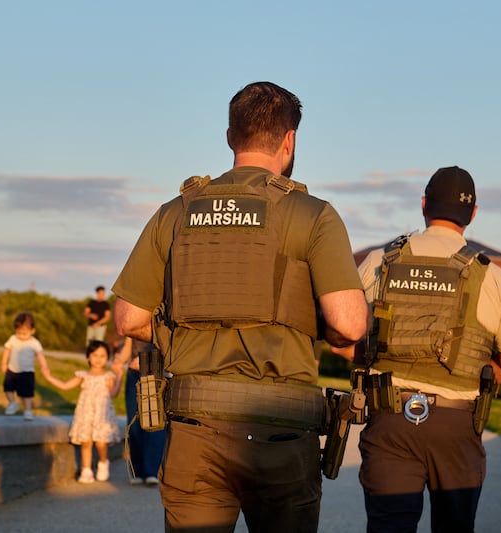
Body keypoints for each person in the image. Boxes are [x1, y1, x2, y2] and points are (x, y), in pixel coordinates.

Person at [113, 81, 367, 532]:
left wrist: (182, 332)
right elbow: (348, 325)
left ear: (230, 137)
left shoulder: (176, 211)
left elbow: (129, 319)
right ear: (289, 140)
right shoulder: (313, 214)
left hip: (196, 430)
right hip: (282, 435)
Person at [354, 166, 501, 533]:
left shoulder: (379, 262)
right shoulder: (495, 278)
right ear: (473, 214)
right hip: (456, 427)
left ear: (423, 205)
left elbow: (342, 336)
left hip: (389, 419)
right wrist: (473, 370)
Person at [44, 340, 123, 483]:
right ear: (88, 357)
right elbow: (65, 386)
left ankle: (103, 463)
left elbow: (113, 394)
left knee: (100, 442)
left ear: (107, 358)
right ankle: (86, 470)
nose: (98, 359)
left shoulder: (108, 376)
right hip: (86, 414)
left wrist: (119, 377)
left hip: (102, 414)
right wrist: (49, 377)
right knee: (85, 442)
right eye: (95, 355)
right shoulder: (83, 375)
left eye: (102, 356)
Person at [112, 336, 165, 486]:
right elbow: (129, 346)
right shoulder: (134, 317)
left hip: (154, 371)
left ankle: (151, 472)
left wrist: (147, 360)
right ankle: (136, 470)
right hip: (134, 374)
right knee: (134, 424)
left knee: (153, 424)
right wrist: (119, 361)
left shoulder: (163, 316)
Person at [0, 311, 51, 421]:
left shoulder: (34, 343)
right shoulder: (13, 339)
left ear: (32, 331)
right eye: (19, 333)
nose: (21, 336)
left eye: (24, 333)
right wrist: (4, 363)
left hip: (27, 372)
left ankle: (28, 410)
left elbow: (40, 355)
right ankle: (13, 403)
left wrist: (44, 366)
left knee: (27, 394)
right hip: (12, 370)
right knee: (7, 388)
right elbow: (7, 350)